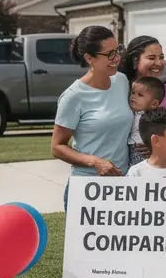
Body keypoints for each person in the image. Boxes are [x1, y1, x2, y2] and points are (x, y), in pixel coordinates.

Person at [52, 25, 132, 209]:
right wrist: (96, 162)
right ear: (89, 58)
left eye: (118, 50)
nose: (117, 58)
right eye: (110, 54)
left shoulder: (121, 82)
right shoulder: (73, 96)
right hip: (87, 189)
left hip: (122, 187)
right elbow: (57, 147)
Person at [121, 36, 166, 147]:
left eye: (161, 57)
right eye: (151, 58)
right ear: (135, 60)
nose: (159, 63)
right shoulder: (121, 89)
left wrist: (158, 144)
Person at [127, 75, 165, 166]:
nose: (133, 97)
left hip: (143, 151)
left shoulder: (153, 118)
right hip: (130, 151)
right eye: (133, 92)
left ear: (154, 104)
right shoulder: (130, 112)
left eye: (140, 95)